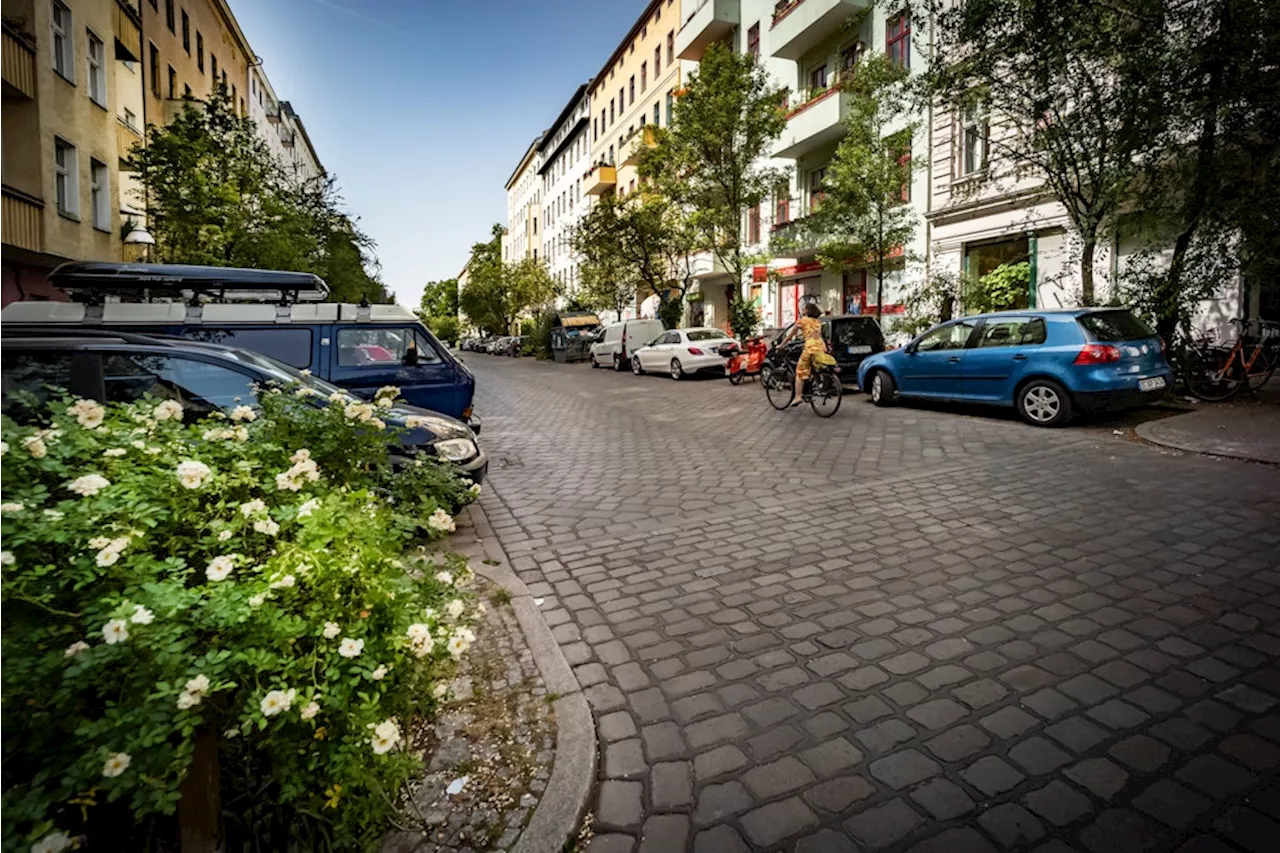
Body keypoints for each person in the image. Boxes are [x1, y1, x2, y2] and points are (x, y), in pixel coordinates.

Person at [778, 302, 825, 408]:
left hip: (810, 347)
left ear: (807, 310)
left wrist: (781, 345)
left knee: (800, 371)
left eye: (804, 308)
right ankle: (812, 386)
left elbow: (790, 335)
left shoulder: (802, 321)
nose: (802, 310)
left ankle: (798, 397)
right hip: (821, 346)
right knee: (811, 368)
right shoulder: (817, 322)